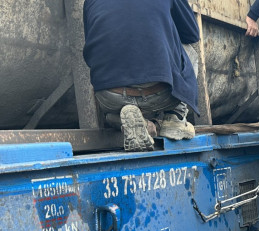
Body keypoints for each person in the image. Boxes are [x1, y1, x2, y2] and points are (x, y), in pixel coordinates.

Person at [83, 0, 199, 152]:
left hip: (109, 95)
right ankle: (175, 117)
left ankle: (131, 121)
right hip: (160, 93)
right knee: (190, 52)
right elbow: (191, 34)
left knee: (112, 113)